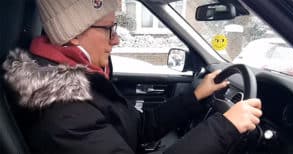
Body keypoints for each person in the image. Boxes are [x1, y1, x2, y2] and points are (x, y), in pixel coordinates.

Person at [2, 0, 262, 153]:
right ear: (75, 34)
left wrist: (195, 96)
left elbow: (137, 126)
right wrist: (224, 127)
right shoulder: (62, 112)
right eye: (109, 29)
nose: (116, 39)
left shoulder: (79, 81)